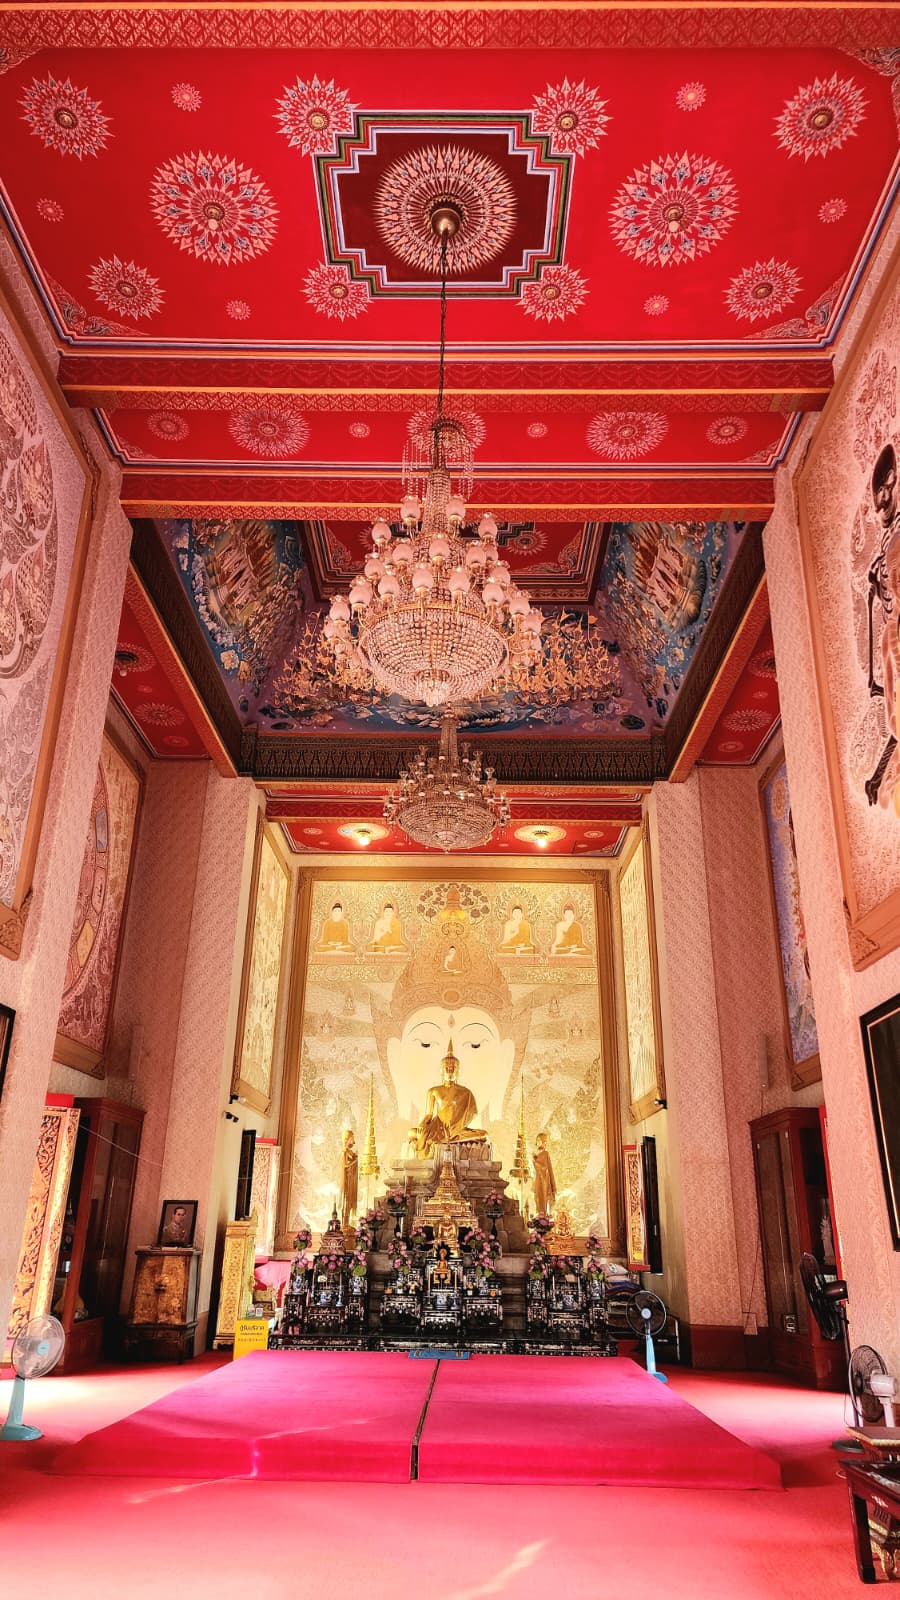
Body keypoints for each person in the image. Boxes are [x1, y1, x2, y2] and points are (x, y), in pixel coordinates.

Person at [532, 1132, 557, 1216]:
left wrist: (535, 1161)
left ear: (544, 1142)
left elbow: (544, 1168)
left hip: (543, 1181)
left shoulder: (545, 1154)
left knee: (541, 1198)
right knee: (537, 1197)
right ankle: (540, 1216)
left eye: (539, 1140)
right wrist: (535, 1159)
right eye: (537, 1140)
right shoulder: (540, 1154)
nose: (537, 1142)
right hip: (538, 1179)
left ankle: (542, 1217)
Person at [339, 1129, 358, 1230]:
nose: (353, 1141)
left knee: (350, 1202)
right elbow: (345, 1165)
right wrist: (355, 1160)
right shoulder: (345, 1152)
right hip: (347, 1180)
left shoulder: (350, 1152)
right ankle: (344, 1223)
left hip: (352, 1180)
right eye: (352, 1139)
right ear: (347, 1139)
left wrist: (355, 1158)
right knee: (346, 1201)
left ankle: (348, 1222)